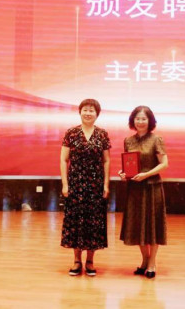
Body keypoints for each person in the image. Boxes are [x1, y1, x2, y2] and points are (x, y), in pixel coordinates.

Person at [60, 99, 111, 276]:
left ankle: (90, 261)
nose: (88, 113)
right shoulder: (71, 133)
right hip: (75, 183)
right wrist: (65, 184)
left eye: (92, 110)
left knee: (93, 222)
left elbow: (106, 160)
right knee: (76, 221)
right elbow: (63, 160)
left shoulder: (102, 134)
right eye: (85, 110)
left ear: (97, 114)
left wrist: (106, 184)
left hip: (96, 185)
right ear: (80, 112)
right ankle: (76, 261)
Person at [118, 105, 168, 279]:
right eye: (137, 118)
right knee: (137, 225)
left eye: (143, 119)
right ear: (133, 121)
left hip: (152, 187)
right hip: (135, 189)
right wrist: (123, 174)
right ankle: (145, 260)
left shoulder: (156, 139)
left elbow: (164, 164)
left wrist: (146, 174)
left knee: (153, 226)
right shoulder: (128, 141)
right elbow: (128, 164)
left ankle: (152, 262)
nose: (140, 122)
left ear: (150, 121)